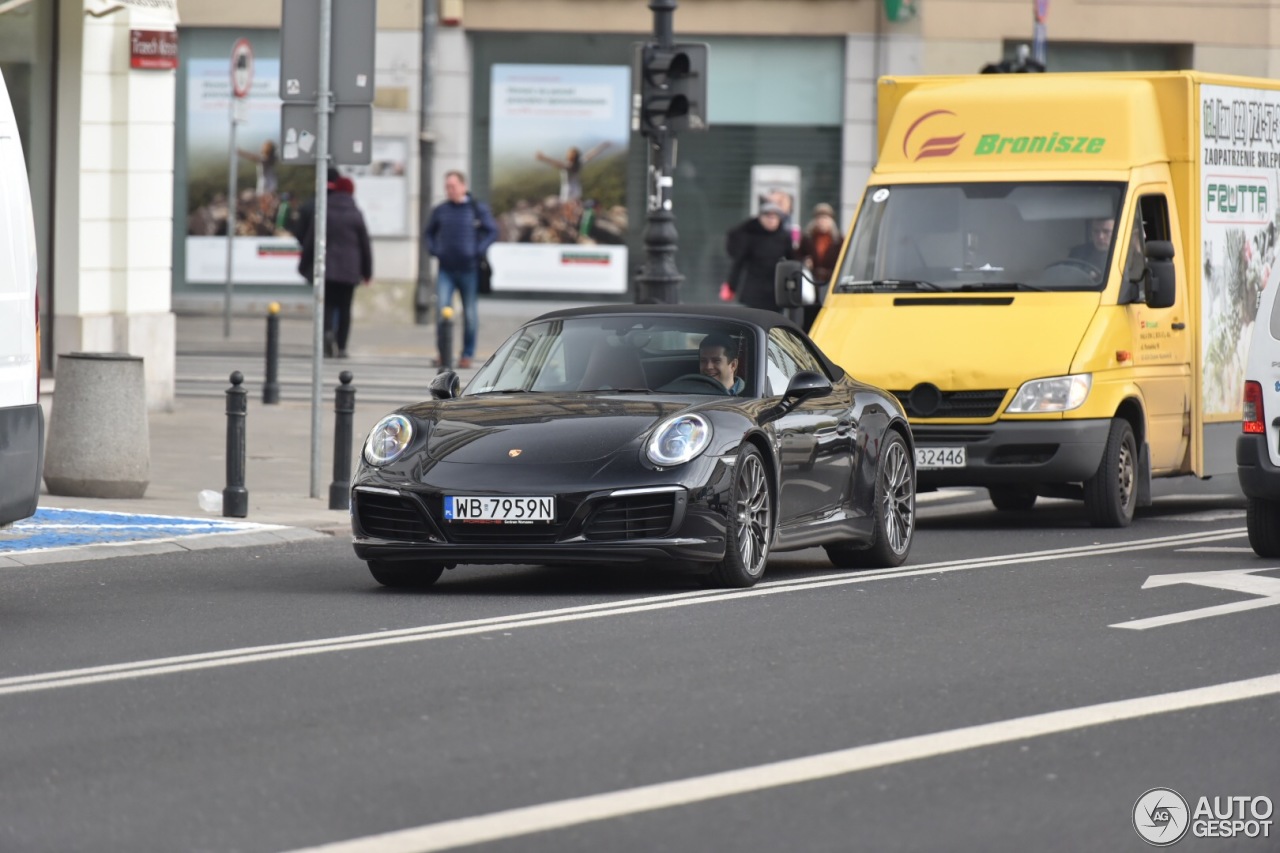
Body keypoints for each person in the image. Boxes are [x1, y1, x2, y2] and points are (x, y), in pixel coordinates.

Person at [424, 170, 498, 368]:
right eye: (447, 187)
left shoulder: (476, 209)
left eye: (453, 186)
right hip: (446, 270)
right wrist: (434, 250)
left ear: (463, 186)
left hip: (469, 270)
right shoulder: (441, 210)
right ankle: (443, 353)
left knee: (470, 315)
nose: (449, 190)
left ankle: (467, 355)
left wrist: (478, 250)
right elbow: (428, 233)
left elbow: (492, 231)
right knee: (442, 312)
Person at [298, 173, 372, 359]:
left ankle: (328, 333)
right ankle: (342, 346)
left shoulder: (324, 212)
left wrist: (303, 264)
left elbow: (311, 241)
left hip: (328, 269)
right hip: (350, 270)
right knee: (346, 308)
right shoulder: (356, 214)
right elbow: (365, 245)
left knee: (328, 306)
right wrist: (367, 272)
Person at [721, 202, 795, 311]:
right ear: (760, 218)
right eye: (767, 216)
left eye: (774, 217)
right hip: (753, 291)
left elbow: (792, 262)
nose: (771, 220)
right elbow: (738, 262)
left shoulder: (784, 237)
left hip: (776, 290)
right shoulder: (750, 235)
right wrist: (732, 286)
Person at [534, 142, 611, 227]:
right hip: (577, 189)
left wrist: (543, 158)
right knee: (574, 209)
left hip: (568, 191)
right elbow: (591, 155)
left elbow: (556, 163)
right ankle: (576, 222)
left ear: (570, 157)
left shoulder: (567, 166)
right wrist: (602, 146)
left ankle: (571, 225)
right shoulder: (580, 163)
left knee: (567, 212)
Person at [796, 202, 843, 330]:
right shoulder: (807, 239)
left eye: (826, 218)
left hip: (830, 281)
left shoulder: (838, 240)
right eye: (820, 218)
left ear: (831, 220)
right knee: (810, 315)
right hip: (811, 281)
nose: (822, 221)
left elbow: (844, 260)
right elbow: (796, 256)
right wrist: (805, 261)